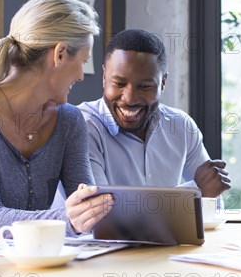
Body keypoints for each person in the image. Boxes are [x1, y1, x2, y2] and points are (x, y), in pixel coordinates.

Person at [0, 0, 114, 245]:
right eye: (83, 61)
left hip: (35, 263)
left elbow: (86, 205)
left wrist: (95, 211)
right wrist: (67, 219)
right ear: (60, 54)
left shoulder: (70, 121)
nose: (82, 76)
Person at [77, 28, 231, 197]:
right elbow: (101, 212)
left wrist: (203, 191)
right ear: (104, 77)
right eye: (119, 84)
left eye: (145, 87)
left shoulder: (181, 125)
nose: (130, 99)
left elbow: (212, 201)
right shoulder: (82, 126)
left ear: (163, 82)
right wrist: (195, 191)